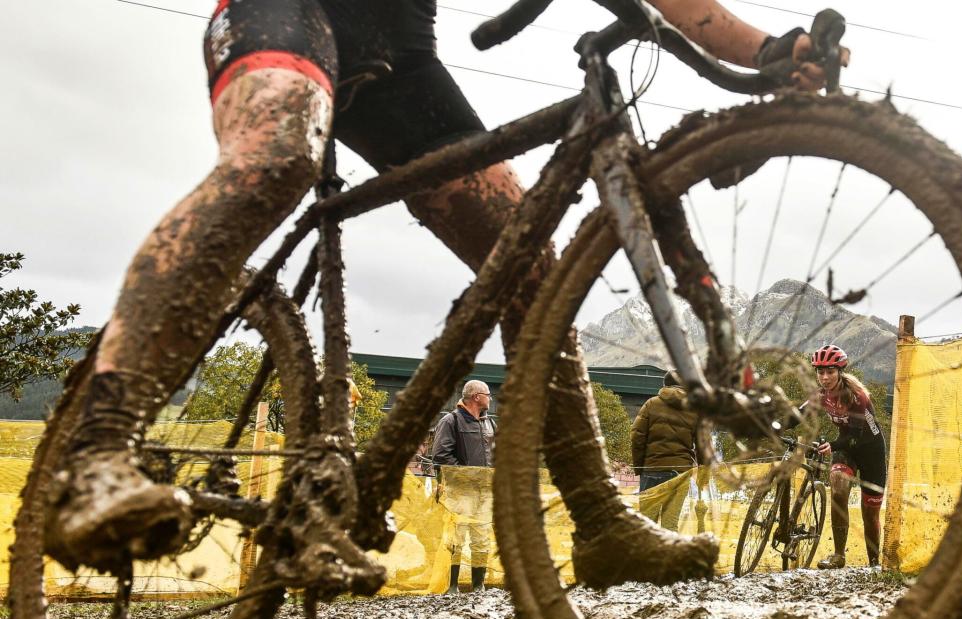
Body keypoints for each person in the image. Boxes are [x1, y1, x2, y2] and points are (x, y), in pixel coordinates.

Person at [47, 0, 847, 579]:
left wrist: (772, 49)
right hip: (284, 13)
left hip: (399, 62)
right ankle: (97, 450)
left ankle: (599, 523)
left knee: (529, 265)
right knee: (277, 156)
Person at [810, 344, 887, 569]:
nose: (825, 377)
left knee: (870, 513)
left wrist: (831, 446)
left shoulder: (856, 396)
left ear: (839, 372)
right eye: (820, 372)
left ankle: (873, 564)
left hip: (871, 451)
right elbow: (798, 414)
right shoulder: (822, 395)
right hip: (847, 448)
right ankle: (838, 556)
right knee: (838, 483)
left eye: (830, 372)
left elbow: (855, 436)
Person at [430, 380, 496, 592]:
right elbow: (440, 456)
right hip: (459, 493)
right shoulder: (451, 421)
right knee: (456, 537)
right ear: (476, 396)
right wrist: (467, 477)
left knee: (481, 539)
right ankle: (452, 586)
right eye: (487, 394)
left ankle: (479, 586)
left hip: (485, 494)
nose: (490, 397)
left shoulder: (489, 424)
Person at [631, 370, 701, 531]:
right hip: (680, 472)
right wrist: (703, 471)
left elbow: (637, 436)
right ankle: (668, 555)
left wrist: (640, 467)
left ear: (665, 385)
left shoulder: (651, 404)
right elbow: (703, 444)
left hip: (652, 470)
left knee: (647, 524)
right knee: (670, 524)